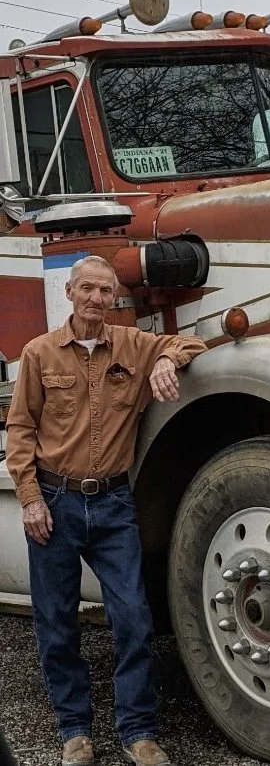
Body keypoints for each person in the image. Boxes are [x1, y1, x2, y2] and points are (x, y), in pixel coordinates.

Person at [6, 255, 207, 766]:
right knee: (57, 625)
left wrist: (165, 360)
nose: (96, 298)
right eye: (88, 289)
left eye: (105, 291)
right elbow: (21, 429)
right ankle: (75, 731)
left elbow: (195, 343)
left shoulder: (135, 345)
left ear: (114, 296)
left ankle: (138, 731)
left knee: (134, 618)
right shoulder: (39, 353)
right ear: (70, 292)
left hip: (114, 504)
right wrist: (29, 499)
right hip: (53, 502)